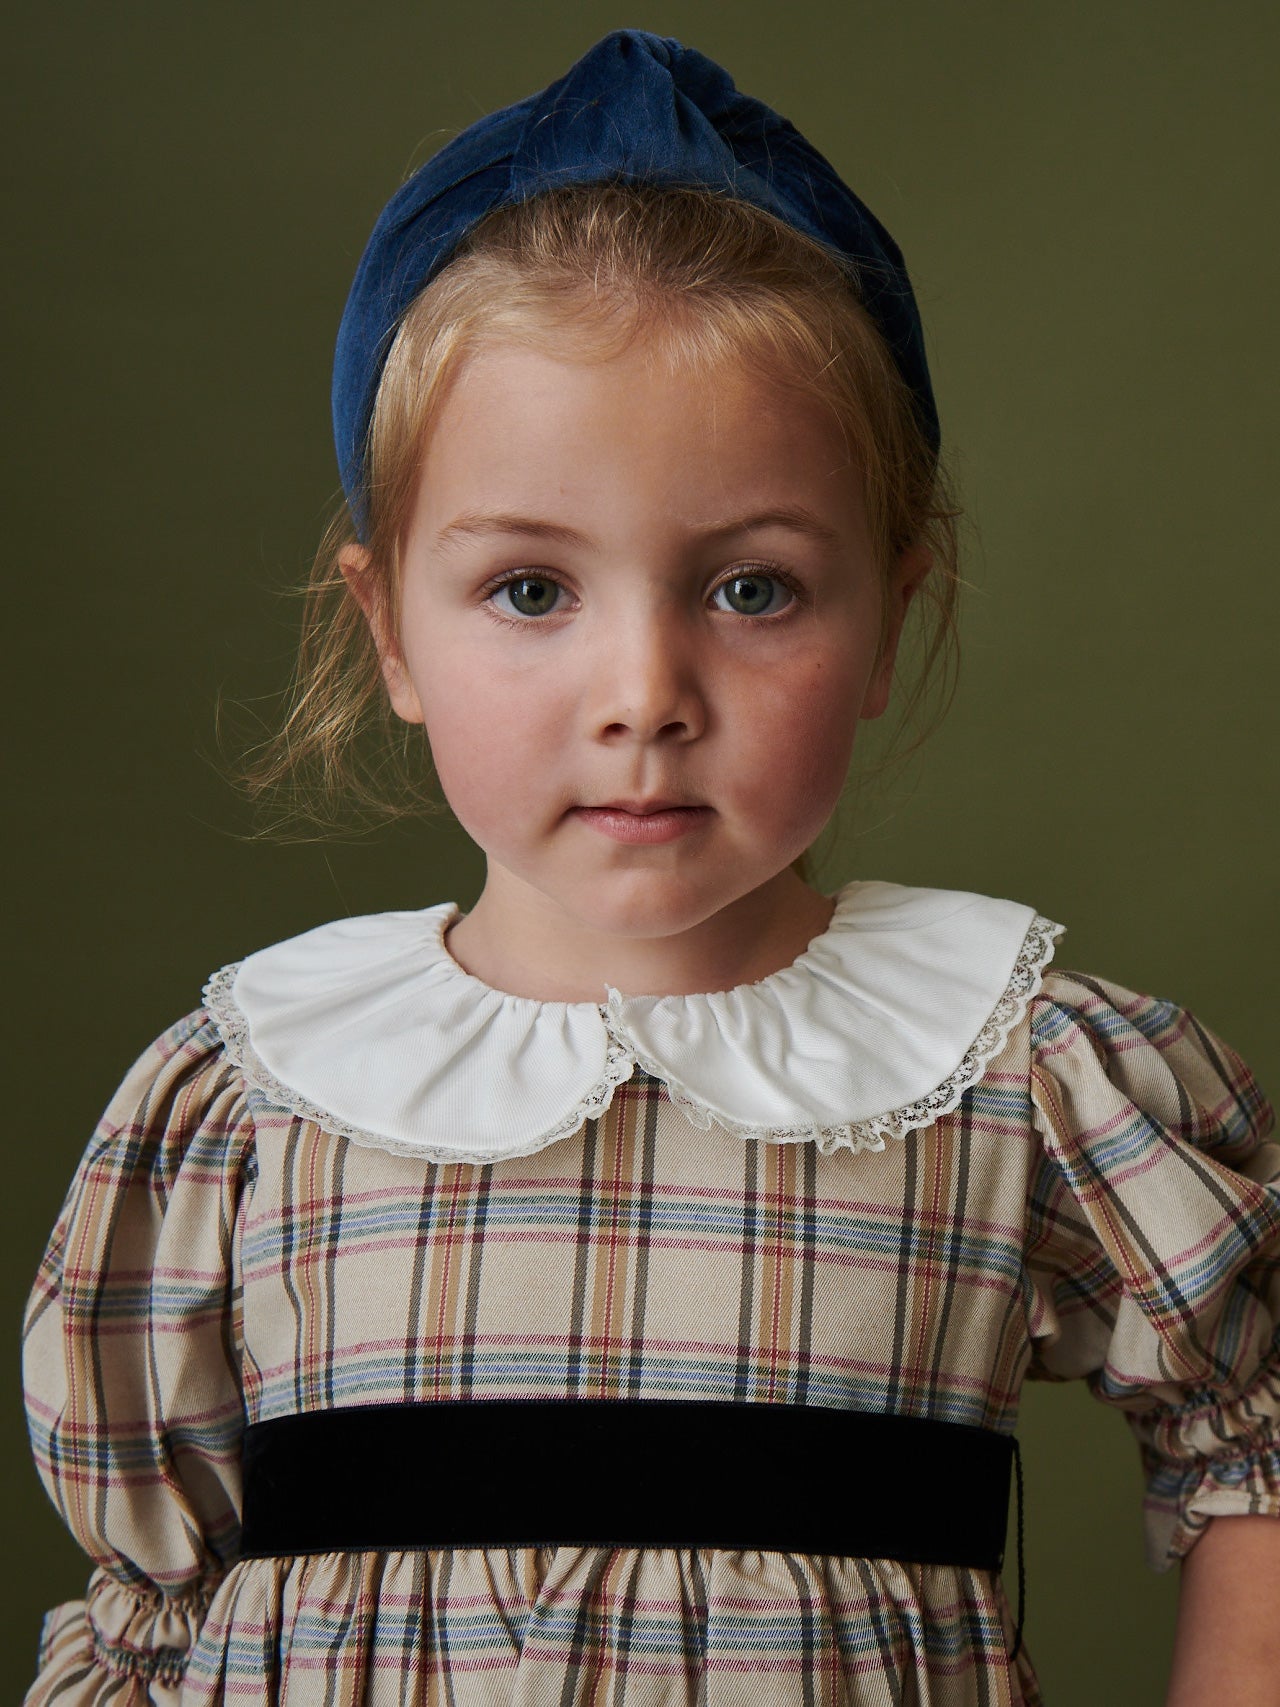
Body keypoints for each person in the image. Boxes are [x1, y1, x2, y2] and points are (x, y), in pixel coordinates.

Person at [21, 29, 1279, 1706]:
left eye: (752, 589)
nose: (643, 700)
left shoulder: (1020, 1076)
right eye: (533, 591)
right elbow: (150, 1611)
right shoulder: (250, 1107)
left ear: (893, 612)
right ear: (389, 628)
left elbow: (1250, 1436)